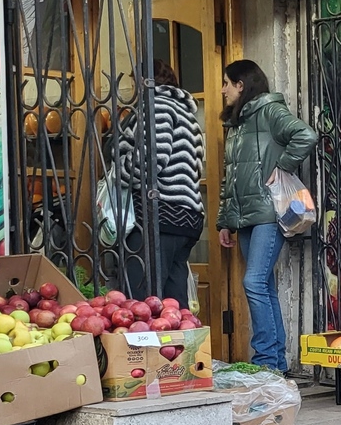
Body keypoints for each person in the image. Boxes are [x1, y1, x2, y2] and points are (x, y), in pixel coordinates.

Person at [216, 60, 318, 370]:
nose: (222, 89)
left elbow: (306, 135)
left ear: (241, 85)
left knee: (253, 281)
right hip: (245, 216)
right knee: (264, 285)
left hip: (269, 213)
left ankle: (266, 362)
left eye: (226, 83)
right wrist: (225, 220)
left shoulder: (270, 112)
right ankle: (276, 363)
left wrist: (283, 166)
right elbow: (229, 176)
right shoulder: (236, 123)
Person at [118, 59, 205, 305]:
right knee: (173, 304)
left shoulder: (157, 107)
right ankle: (180, 344)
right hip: (187, 217)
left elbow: (149, 161)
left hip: (159, 215)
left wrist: (117, 174)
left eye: (134, 82)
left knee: (141, 303)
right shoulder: (188, 114)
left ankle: (143, 346)